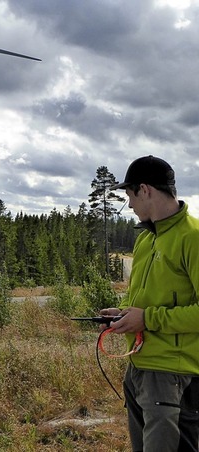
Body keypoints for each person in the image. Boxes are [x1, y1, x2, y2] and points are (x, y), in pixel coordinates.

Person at [102, 155, 199, 451]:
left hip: (172, 374)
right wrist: (123, 313)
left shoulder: (192, 237)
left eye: (129, 196)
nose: (129, 205)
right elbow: (144, 299)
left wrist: (148, 319)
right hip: (138, 369)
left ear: (145, 190)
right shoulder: (146, 239)